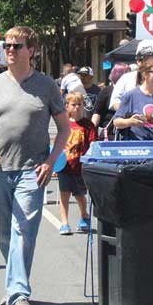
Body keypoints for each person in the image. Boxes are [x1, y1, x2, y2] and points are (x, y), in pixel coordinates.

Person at [0, 26, 69, 305]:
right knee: (4, 235)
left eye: (17, 46)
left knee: (22, 233)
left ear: (32, 50)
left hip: (32, 170)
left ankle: (18, 294)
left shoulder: (47, 85)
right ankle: (14, 281)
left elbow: (65, 127)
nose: (10, 50)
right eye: (7, 45)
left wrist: (51, 161)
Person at [57, 92, 95, 235]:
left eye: (79, 104)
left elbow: (92, 143)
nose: (77, 107)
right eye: (73, 104)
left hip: (80, 166)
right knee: (64, 194)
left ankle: (84, 215)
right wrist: (55, 163)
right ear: (67, 106)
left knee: (80, 195)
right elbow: (58, 145)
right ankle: (64, 222)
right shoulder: (64, 123)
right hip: (64, 165)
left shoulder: (88, 125)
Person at [112, 57, 153, 141]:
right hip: (137, 147)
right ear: (145, 74)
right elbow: (116, 122)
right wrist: (130, 122)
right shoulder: (131, 96)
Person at [109, 45, 153, 111]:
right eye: (146, 61)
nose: (149, 64)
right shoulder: (126, 78)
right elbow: (115, 100)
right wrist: (126, 114)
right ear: (138, 62)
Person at [91, 63, 128, 139]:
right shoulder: (106, 91)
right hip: (110, 133)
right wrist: (91, 131)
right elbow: (97, 112)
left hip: (128, 133)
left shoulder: (131, 91)